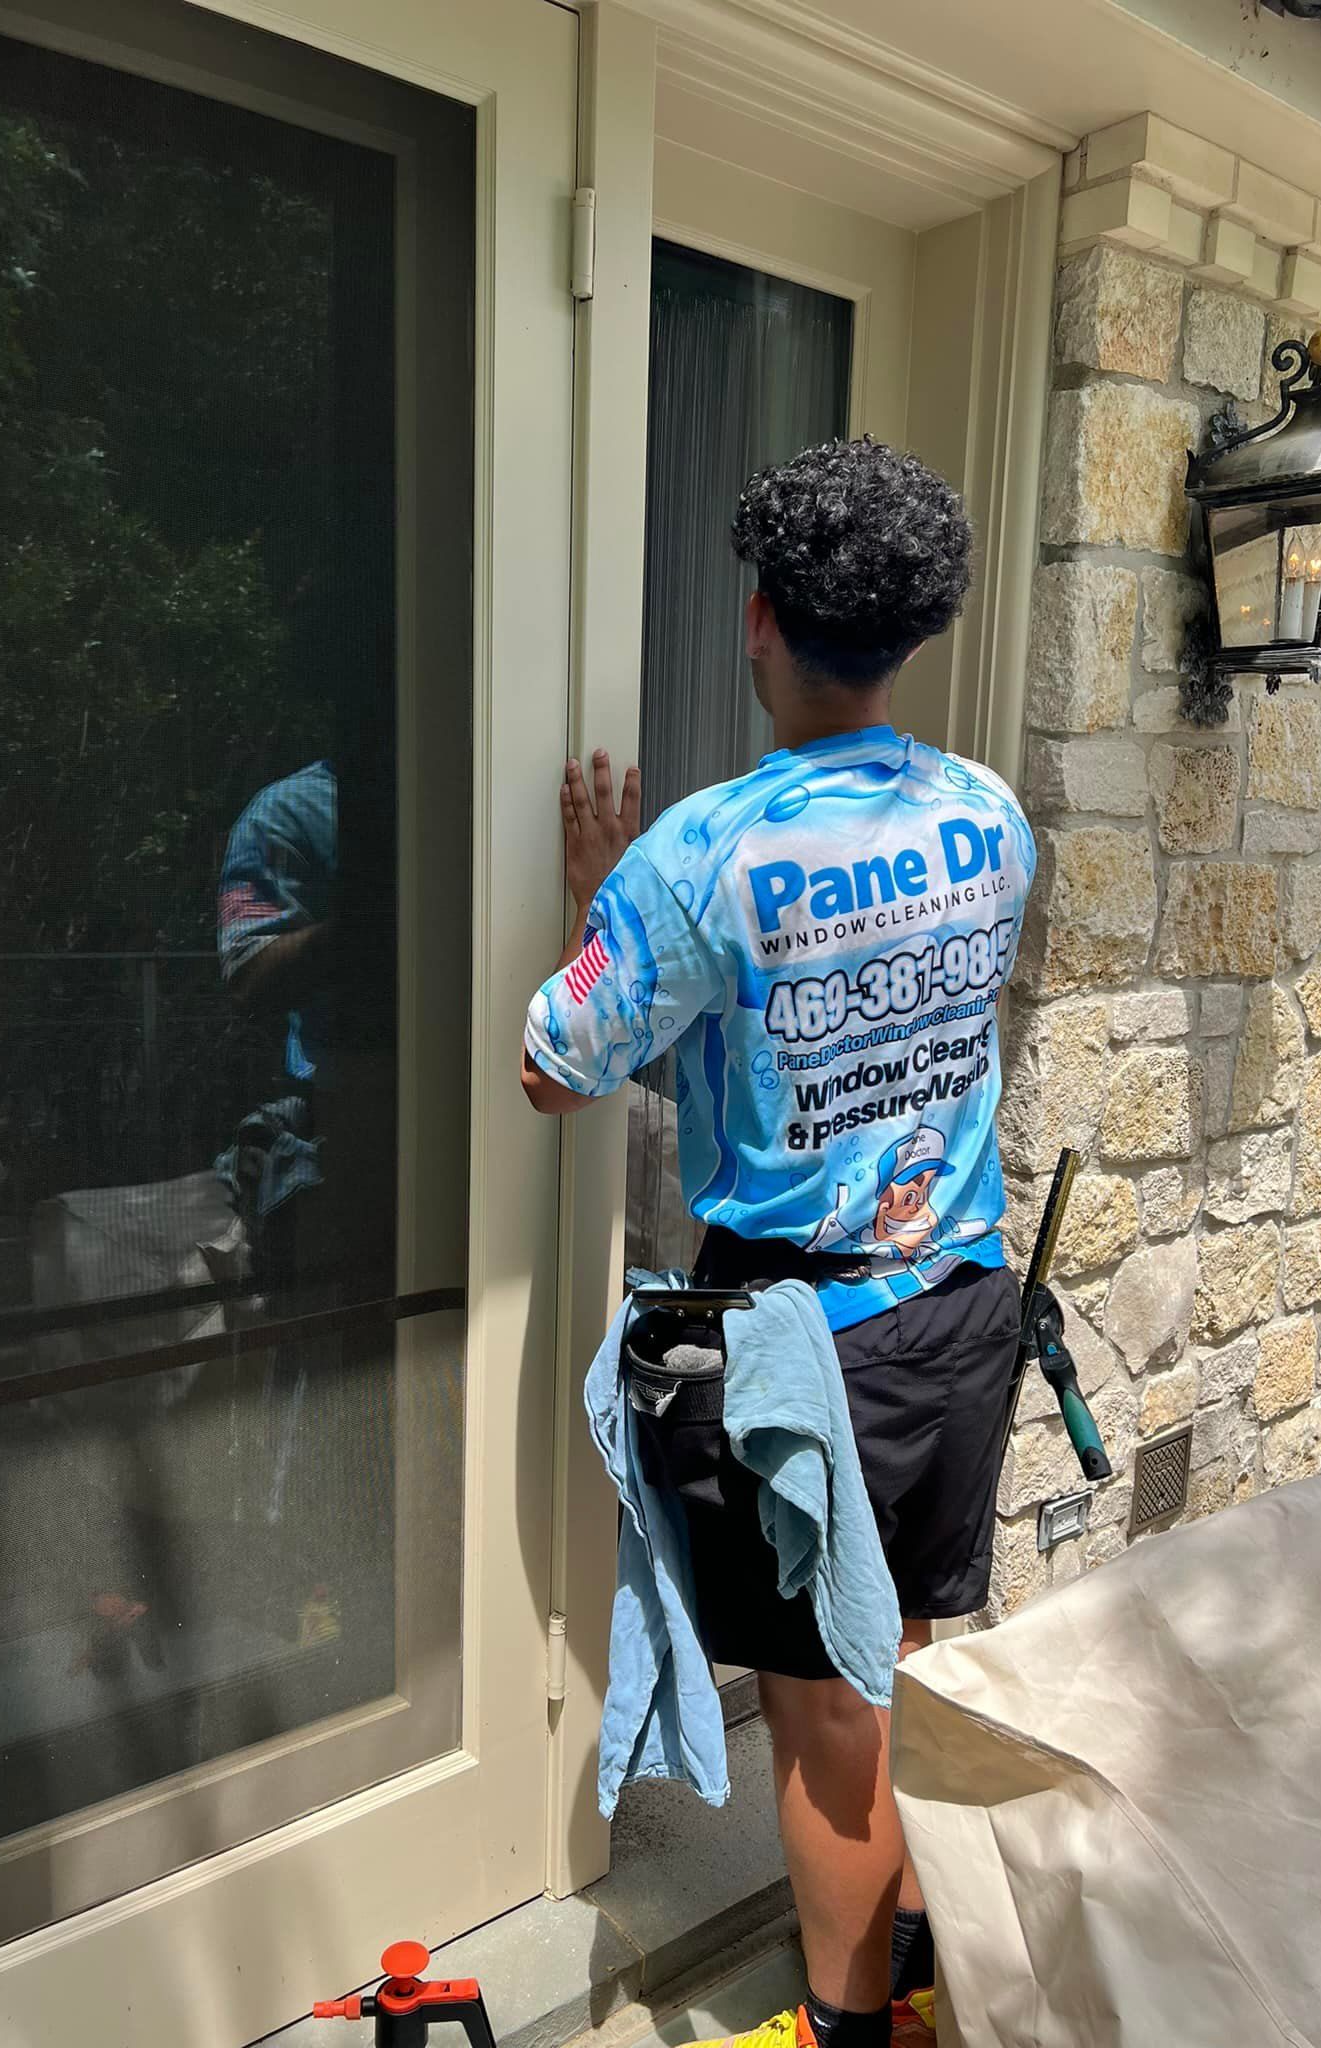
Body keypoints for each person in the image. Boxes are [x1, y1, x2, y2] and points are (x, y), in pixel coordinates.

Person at [521, 437, 1036, 2048]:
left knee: (824, 1714)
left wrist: (603, 906)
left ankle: (845, 2024)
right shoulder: (990, 815)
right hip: (957, 1313)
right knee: (907, 1663)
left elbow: (557, 1066)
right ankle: (926, 1958)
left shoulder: (703, 854)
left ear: (757, 619)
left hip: (799, 1349)